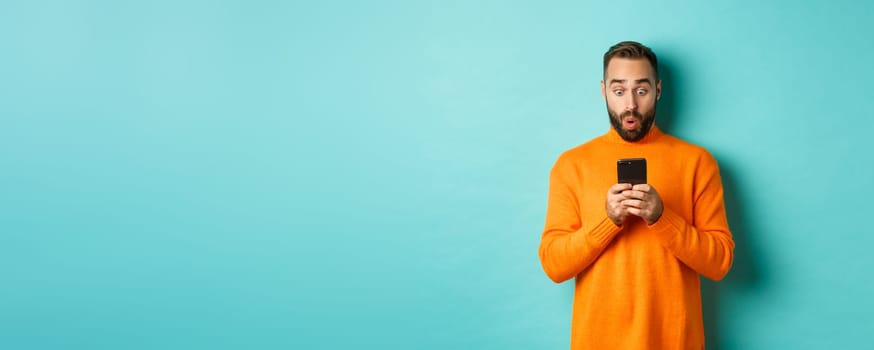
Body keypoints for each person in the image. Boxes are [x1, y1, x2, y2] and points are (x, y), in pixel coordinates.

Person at [538, 41, 735, 349]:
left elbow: (720, 262)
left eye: (641, 90)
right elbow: (553, 265)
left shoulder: (697, 162)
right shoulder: (571, 165)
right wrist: (608, 220)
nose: (630, 104)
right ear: (603, 91)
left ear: (657, 90)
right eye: (619, 91)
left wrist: (661, 217)